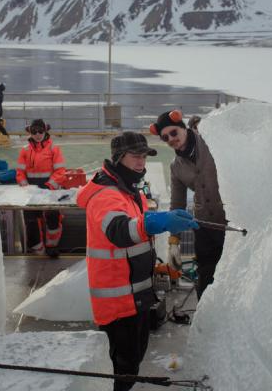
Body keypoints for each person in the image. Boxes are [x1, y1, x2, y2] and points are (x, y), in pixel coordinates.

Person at [77, 131, 198, 391]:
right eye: (135, 156)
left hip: (137, 296)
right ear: (119, 157)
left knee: (133, 359)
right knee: (124, 367)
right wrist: (158, 221)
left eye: (144, 156)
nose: (141, 161)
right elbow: (121, 231)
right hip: (118, 301)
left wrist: (162, 218)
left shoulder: (130, 191)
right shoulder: (106, 195)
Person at [151, 110, 226, 300]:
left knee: (233, 275)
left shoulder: (213, 143)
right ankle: (207, 321)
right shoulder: (176, 167)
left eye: (174, 132)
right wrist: (173, 242)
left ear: (183, 128)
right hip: (205, 227)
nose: (171, 139)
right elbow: (177, 205)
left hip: (230, 222)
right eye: (165, 137)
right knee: (206, 277)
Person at [16, 119, 66, 257]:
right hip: (31, 191)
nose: (37, 134)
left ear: (45, 131)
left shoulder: (54, 149)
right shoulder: (25, 151)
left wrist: (49, 185)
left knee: (53, 218)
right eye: (34, 131)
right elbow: (20, 172)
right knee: (31, 220)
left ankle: (52, 247)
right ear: (30, 132)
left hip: (49, 190)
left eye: (40, 131)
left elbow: (60, 171)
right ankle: (38, 250)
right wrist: (25, 185)